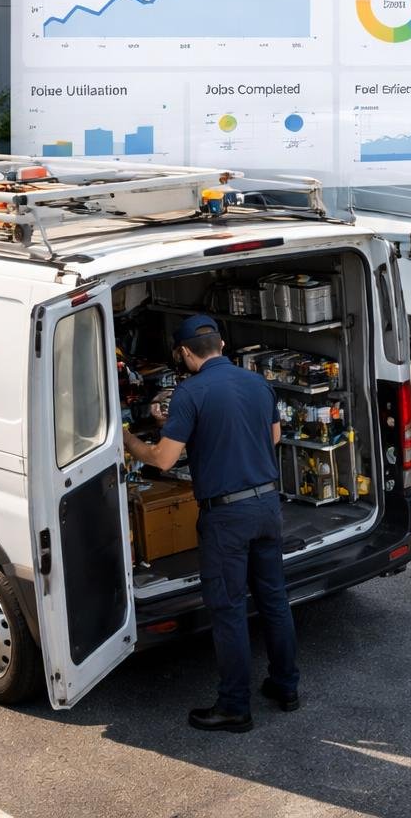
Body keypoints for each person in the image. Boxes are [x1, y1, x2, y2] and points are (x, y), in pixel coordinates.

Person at [123, 314, 300, 733]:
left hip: (227, 517)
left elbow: (164, 459)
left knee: (229, 609)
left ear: (184, 353)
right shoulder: (257, 383)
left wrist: (129, 441)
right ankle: (286, 686)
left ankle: (235, 706)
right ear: (220, 344)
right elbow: (272, 436)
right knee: (274, 599)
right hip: (266, 506)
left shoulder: (189, 393)